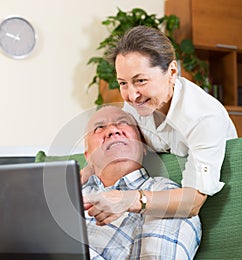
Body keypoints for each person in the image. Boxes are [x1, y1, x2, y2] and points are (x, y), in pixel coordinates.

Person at [0, 106, 201, 260]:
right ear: (88, 153)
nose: (112, 130)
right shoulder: (59, 192)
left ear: (144, 145)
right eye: (99, 128)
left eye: (123, 124)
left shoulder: (165, 195)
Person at [81, 25, 237, 225]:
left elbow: (193, 202)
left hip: (210, 207)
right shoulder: (137, 106)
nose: (132, 95)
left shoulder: (203, 118)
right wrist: (86, 172)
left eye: (141, 81)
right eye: (123, 83)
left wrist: (132, 199)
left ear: (172, 71)